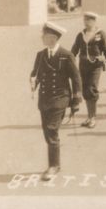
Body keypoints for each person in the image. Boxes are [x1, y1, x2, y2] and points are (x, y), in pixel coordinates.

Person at [30, 22, 82, 181]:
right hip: (44, 99)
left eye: (44, 36)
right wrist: (33, 81)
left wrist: (76, 100)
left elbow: (76, 78)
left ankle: (53, 166)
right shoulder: (40, 55)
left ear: (52, 38)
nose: (41, 38)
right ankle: (56, 164)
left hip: (60, 98)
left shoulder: (66, 55)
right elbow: (35, 73)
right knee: (47, 132)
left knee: (52, 130)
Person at [71, 12, 106, 128]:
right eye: (85, 20)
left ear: (94, 21)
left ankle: (93, 118)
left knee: (91, 89)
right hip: (83, 65)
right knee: (85, 90)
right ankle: (89, 117)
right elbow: (74, 50)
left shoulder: (100, 34)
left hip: (96, 66)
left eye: (89, 20)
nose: (86, 22)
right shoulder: (81, 34)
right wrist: (68, 61)